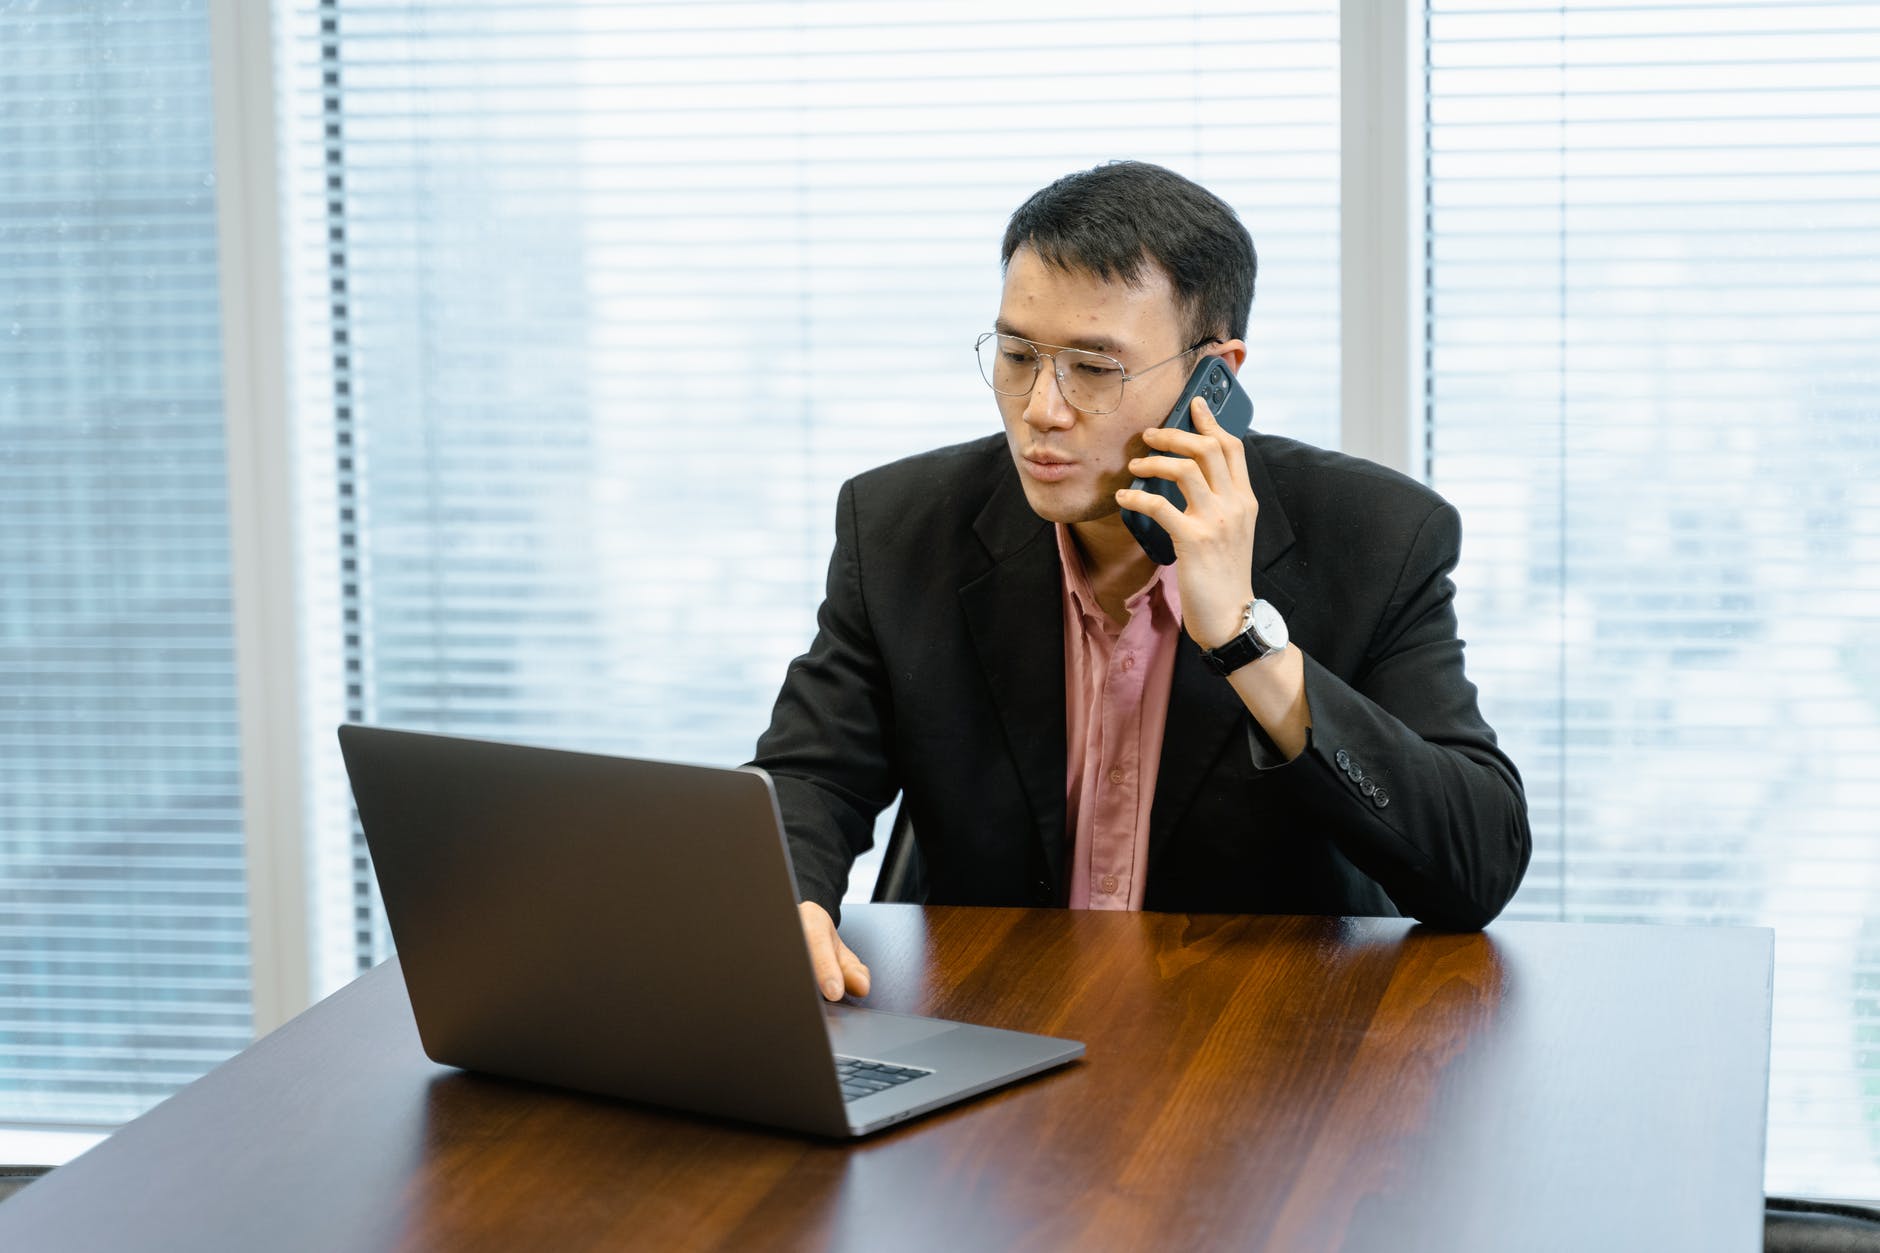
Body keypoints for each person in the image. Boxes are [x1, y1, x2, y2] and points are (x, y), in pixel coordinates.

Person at [749, 161, 1531, 1002]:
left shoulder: (1376, 539)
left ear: (1216, 375)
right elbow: (811, 775)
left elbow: (1475, 866)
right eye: (1016, 354)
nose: (1041, 407)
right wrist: (787, 899)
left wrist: (1243, 637)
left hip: (1255, 1053)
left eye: (1093, 369)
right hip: (992, 1033)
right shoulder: (903, 526)